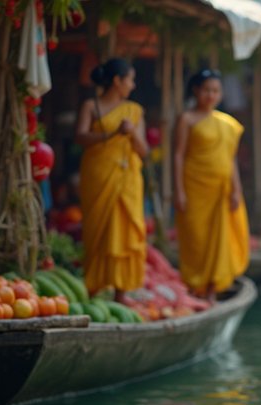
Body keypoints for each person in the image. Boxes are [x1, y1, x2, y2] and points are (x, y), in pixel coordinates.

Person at [75, 58, 149, 302]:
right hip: (98, 173)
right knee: (97, 229)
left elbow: (144, 150)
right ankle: (93, 287)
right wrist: (112, 134)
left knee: (125, 230)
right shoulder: (91, 105)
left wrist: (133, 133)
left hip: (127, 178)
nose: (133, 85)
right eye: (130, 79)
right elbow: (81, 137)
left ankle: (121, 290)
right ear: (117, 81)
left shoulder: (135, 111)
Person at [173, 69, 250, 299]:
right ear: (196, 91)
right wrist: (178, 190)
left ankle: (211, 292)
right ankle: (193, 288)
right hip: (194, 187)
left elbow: (230, 159)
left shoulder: (227, 124)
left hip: (221, 189)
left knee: (219, 240)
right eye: (206, 90)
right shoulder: (187, 119)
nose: (211, 95)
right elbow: (178, 155)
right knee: (195, 238)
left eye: (215, 90)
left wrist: (237, 189)